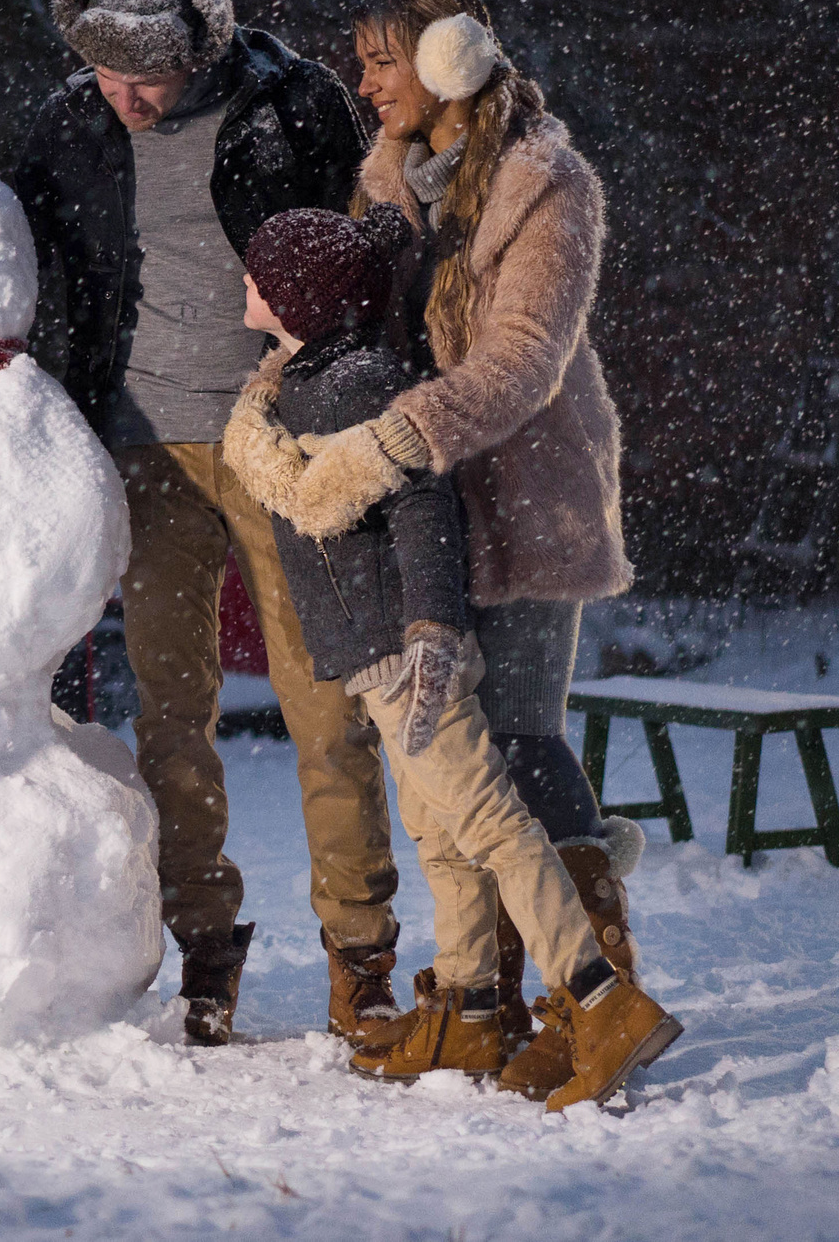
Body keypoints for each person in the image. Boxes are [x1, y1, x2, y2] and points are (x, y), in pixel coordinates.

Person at [230, 0, 646, 1060]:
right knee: (458, 765)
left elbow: (520, 363)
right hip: (428, 510)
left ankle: (596, 996)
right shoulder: (389, 184)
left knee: (517, 736)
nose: (362, 81)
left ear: (443, 59)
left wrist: (384, 443)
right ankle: (492, 999)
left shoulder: (546, 185)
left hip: (523, 494)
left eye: (378, 58)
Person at [12, 0, 396, 1048]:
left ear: (201, 51)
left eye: (147, 78)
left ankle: (357, 951)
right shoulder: (69, 124)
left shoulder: (294, 109)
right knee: (169, 708)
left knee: (325, 695)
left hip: (278, 433)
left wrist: (356, 392)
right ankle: (203, 940)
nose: (125, 97)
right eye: (104, 73)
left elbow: (369, 247)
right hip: (141, 443)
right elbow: (19, 264)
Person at [221, 204, 681, 1106]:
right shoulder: (305, 382)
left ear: (298, 299)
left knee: (493, 826)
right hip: (377, 661)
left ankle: (600, 998)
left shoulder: (358, 387)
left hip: (407, 656)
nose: (244, 282)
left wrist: (431, 630)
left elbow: (425, 508)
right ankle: (471, 1009)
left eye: (259, 272)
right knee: (443, 840)